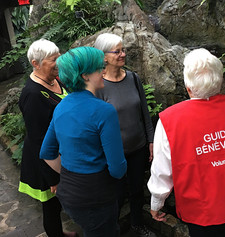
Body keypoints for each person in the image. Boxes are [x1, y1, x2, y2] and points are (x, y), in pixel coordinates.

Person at [148, 48, 225, 237]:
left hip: (204, 214)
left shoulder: (169, 121)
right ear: (220, 82)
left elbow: (162, 169)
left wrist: (157, 202)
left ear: (188, 88)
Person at [39, 46, 127, 237]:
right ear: (85, 75)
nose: (103, 71)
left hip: (69, 194)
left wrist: (73, 173)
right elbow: (117, 169)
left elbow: (46, 152)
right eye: (98, 68)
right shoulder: (104, 111)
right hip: (97, 197)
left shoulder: (61, 106)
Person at [94, 33, 156, 237]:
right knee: (117, 195)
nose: (123, 54)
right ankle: (112, 230)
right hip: (114, 154)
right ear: (103, 56)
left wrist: (150, 140)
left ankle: (137, 224)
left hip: (138, 148)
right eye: (117, 51)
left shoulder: (133, 78)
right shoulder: (98, 87)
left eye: (123, 50)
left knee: (137, 190)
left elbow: (144, 113)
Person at [18, 39, 76, 237]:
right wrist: (52, 176)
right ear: (36, 63)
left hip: (61, 154)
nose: (59, 62)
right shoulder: (32, 95)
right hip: (46, 161)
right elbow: (38, 139)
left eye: (59, 56)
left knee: (58, 203)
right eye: (53, 59)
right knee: (51, 207)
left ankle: (60, 232)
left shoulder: (55, 80)